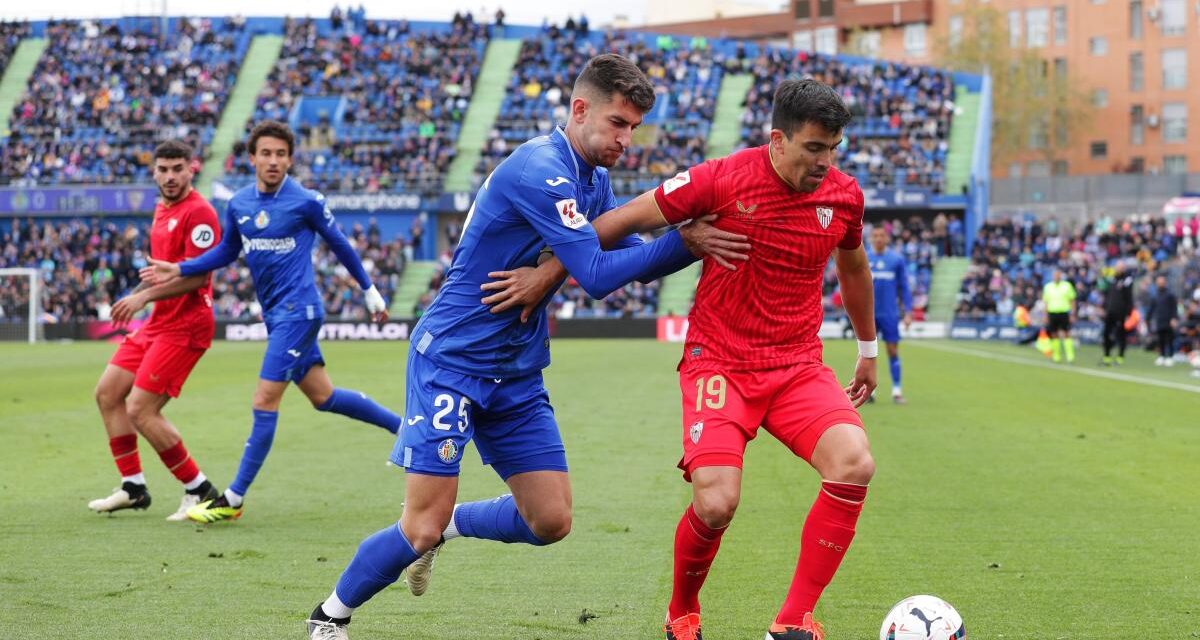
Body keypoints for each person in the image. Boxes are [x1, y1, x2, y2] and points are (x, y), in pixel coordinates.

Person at [301, 54, 749, 640]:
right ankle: (329, 616)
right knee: (418, 526)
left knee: (551, 520)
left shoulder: (594, 178)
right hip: (452, 361)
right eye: (618, 123)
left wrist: (549, 273)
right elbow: (596, 270)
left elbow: (606, 252)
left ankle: (454, 527)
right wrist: (685, 242)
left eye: (634, 128)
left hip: (515, 370)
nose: (626, 139)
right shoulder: (541, 168)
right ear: (580, 109)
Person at [484, 78, 877, 640]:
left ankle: (792, 623)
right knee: (717, 503)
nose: (826, 162)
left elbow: (854, 267)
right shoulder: (719, 179)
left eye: (834, 148)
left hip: (796, 364)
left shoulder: (844, 196)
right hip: (719, 362)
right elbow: (619, 224)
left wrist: (867, 349)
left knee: (855, 464)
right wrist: (549, 271)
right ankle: (682, 611)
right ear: (777, 140)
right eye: (814, 148)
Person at [141, 121, 401, 524]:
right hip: (277, 316)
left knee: (264, 400)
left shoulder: (306, 201)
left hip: (300, 313)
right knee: (324, 397)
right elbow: (226, 252)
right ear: (252, 158)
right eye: (266, 153)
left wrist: (369, 290)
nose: (273, 161)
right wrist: (179, 267)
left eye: (281, 154)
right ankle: (406, 431)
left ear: (290, 159)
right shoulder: (240, 204)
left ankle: (233, 498)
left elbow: (340, 244)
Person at [88, 139, 223, 521]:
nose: (169, 176)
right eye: (163, 169)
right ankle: (133, 487)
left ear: (191, 168)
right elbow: (157, 271)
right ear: (154, 171)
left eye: (177, 168)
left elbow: (198, 278)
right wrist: (137, 295)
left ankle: (200, 490)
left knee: (141, 409)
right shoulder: (162, 209)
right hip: (158, 321)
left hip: (187, 324)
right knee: (108, 393)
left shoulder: (200, 214)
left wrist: (144, 297)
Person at [867, 225, 911, 403]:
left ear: (887, 238)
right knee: (868, 353)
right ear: (871, 238)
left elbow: (904, 288)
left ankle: (897, 391)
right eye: (875, 235)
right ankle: (868, 392)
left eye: (881, 235)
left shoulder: (896, 260)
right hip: (868, 314)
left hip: (889, 313)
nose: (878, 238)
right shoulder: (864, 257)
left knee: (892, 350)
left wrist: (908, 312)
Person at [1100, 262, 1134, 366]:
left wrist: (1128, 312)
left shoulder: (1127, 280)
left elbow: (1129, 297)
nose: (1118, 269)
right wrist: (1104, 307)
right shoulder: (1112, 279)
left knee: (1120, 335)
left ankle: (1120, 357)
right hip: (1110, 311)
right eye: (1117, 267)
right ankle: (1106, 357)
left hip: (1121, 312)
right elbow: (1107, 294)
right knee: (1106, 334)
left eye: (1121, 267)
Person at [1042, 269, 1076, 363]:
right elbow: (1046, 302)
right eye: (1055, 275)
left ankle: (1070, 355)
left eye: (1058, 275)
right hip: (1052, 312)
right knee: (1053, 334)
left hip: (1064, 312)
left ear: (1060, 276)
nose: (1056, 277)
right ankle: (1056, 355)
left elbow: (1072, 300)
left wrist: (1072, 313)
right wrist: (1045, 315)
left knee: (1066, 333)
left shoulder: (1067, 286)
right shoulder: (1048, 287)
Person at [1148, 274, 1178, 366]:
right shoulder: (1155, 295)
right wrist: (1147, 318)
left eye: (1162, 282)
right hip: (1159, 320)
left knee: (1169, 339)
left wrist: (1174, 318)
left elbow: (1174, 308)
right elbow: (1152, 308)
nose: (1160, 284)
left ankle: (1170, 356)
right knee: (1160, 339)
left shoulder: (1170, 295)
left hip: (1168, 320)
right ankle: (1161, 356)